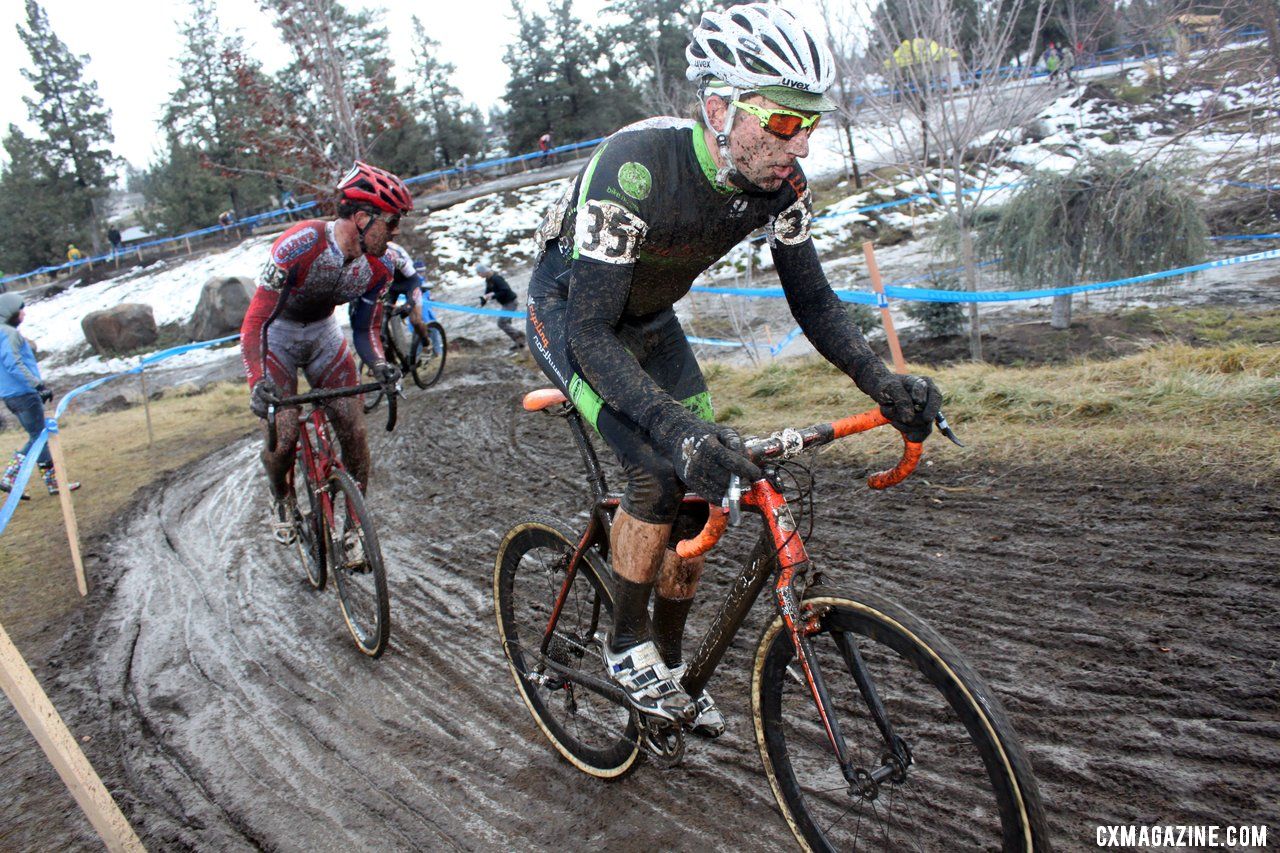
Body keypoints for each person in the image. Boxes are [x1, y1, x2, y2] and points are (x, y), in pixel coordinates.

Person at [524, 3, 941, 733]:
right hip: (571, 316)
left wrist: (881, 381)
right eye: (783, 121)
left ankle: (673, 668)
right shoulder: (636, 170)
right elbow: (591, 332)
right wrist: (670, 426)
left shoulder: (782, 186)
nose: (800, 143)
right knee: (658, 468)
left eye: (812, 122)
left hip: (649, 322)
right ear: (719, 109)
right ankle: (626, 646)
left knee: (704, 491)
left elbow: (812, 299)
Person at [239, 161, 413, 544]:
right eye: (392, 220)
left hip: (323, 334)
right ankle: (281, 497)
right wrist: (258, 380)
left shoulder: (383, 263)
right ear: (363, 217)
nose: (397, 230)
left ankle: (353, 531)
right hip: (277, 335)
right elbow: (255, 323)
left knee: (353, 430)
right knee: (283, 436)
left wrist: (381, 365)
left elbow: (367, 326)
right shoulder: (299, 244)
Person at [0, 293, 79, 496]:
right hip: (23, 394)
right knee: (39, 436)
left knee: (39, 436)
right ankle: (12, 476)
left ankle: (51, 482)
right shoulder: (9, 334)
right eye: (20, 310)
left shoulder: (3, 333)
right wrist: (38, 385)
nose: (24, 314)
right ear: (10, 311)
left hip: (11, 395)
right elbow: (13, 364)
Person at [371, 241, 436, 350]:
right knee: (381, 315)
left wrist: (409, 304)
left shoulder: (396, 258)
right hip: (392, 285)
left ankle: (426, 343)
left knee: (415, 320)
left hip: (409, 282)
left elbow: (415, 281)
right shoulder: (369, 254)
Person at [475, 262, 525, 350]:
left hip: (511, 303)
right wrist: (483, 301)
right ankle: (519, 343)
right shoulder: (488, 279)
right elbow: (487, 292)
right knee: (507, 323)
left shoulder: (496, 278)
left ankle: (520, 336)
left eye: (479, 273)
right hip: (506, 304)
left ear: (483, 272)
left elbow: (505, 290)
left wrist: (493, 295)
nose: (479, 275)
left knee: (502, 323)